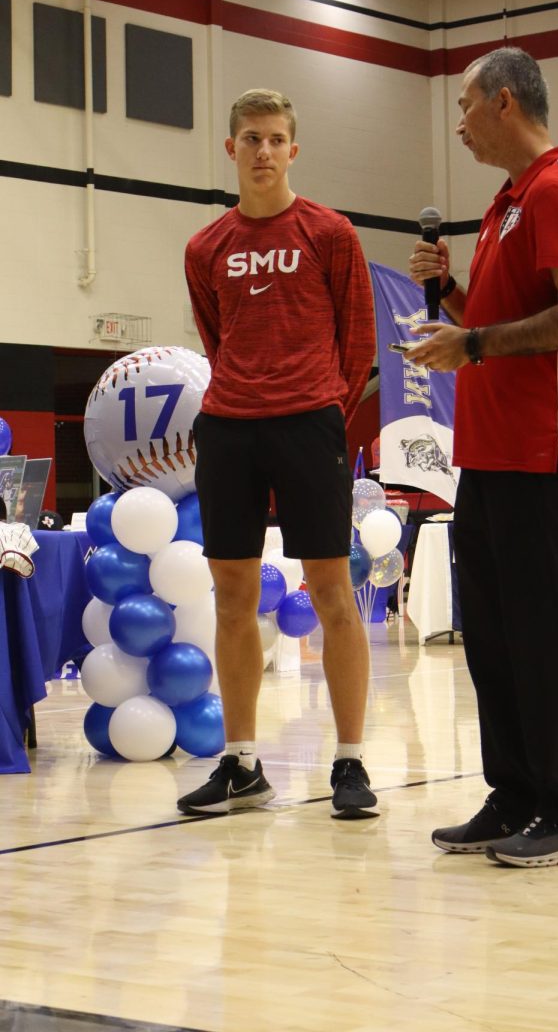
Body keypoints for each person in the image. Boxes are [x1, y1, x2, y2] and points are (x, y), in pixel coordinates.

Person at [406, 46, 558, 868]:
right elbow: (498, 323)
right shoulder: (507, 204)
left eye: (463, 105)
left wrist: (476, 341)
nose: (456, 122)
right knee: (491, 633)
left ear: (503, 103)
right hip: (488, 453)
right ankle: (517, 792)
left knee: (538, 631)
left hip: (540, 449)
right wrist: (456, 302)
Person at [180, 88, 378, 820]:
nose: (262, 151)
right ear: (230, 149)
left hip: (309, 426)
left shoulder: (330, 233)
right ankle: (241, 765)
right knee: (231, 600)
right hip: (228, 428)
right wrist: (247, 395)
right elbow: (216, 338)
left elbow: (357, 344)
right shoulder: (206, 247)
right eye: (250, 139)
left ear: (293, 150)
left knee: (332, 592)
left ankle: (351, 763)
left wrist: (323, 408)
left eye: (275, 139)